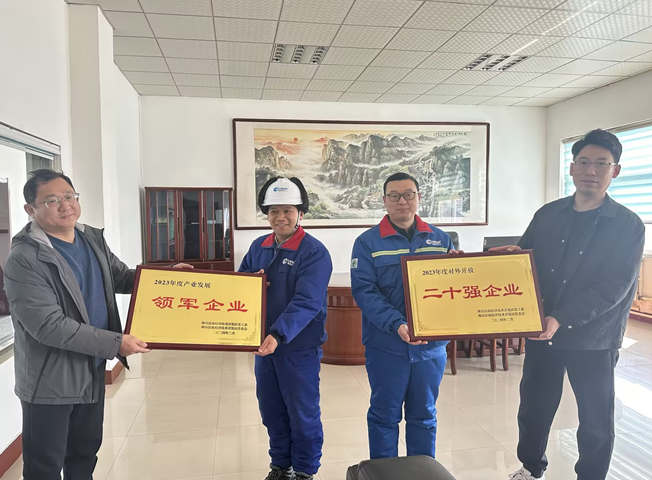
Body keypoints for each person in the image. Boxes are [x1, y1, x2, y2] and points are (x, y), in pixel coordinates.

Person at [3, 169, 191, 480]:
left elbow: (122, 277)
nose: (65, 205)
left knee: (84, 454)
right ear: (30, 209)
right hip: (50, 379)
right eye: (52, 200)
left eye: (69, 196)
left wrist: (167, 277)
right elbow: (48, 325)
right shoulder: (24, 258)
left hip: (91, 368)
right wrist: (116, 343)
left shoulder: (90, 238)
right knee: (44, 466)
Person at [496, 130, 645, 480]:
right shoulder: (548, 214)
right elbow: (527, 261)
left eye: (601, 164)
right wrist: (510, 260)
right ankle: (531, 468)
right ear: (572, 167)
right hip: (542, 331)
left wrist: (561, 318)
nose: (591, 170)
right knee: (534, 408)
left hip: (594, 337)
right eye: (584, 162)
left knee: (595, 417)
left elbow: (614, 287)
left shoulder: (628, 225)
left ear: (615, 170)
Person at [350, 172, 459, 459]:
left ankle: (422, 472)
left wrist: (462, 268)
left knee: (424, 415)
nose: (402, 201)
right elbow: (364, 291)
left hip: (430, 348)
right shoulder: (367, 242)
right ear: (384, 200)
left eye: (409, 194)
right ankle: (385, 474)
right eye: (394, 195)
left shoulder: (440, 240)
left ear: (419, 198)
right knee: (384, 415)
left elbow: (453, 288)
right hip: (387, 346)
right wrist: (397, 324)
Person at [238, 177, 333, 480]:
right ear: (266, 214)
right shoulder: (259, 247)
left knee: (302, 414)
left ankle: (304, 471)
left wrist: (278, 334)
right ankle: (281, 466)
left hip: (297, 348)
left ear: (300, 213)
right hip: (264, 347)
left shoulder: (314, 252)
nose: (281, 217)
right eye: (274, 211)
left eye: (288, 211)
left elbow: (308, 301)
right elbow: (238, 288)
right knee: (271, 410)